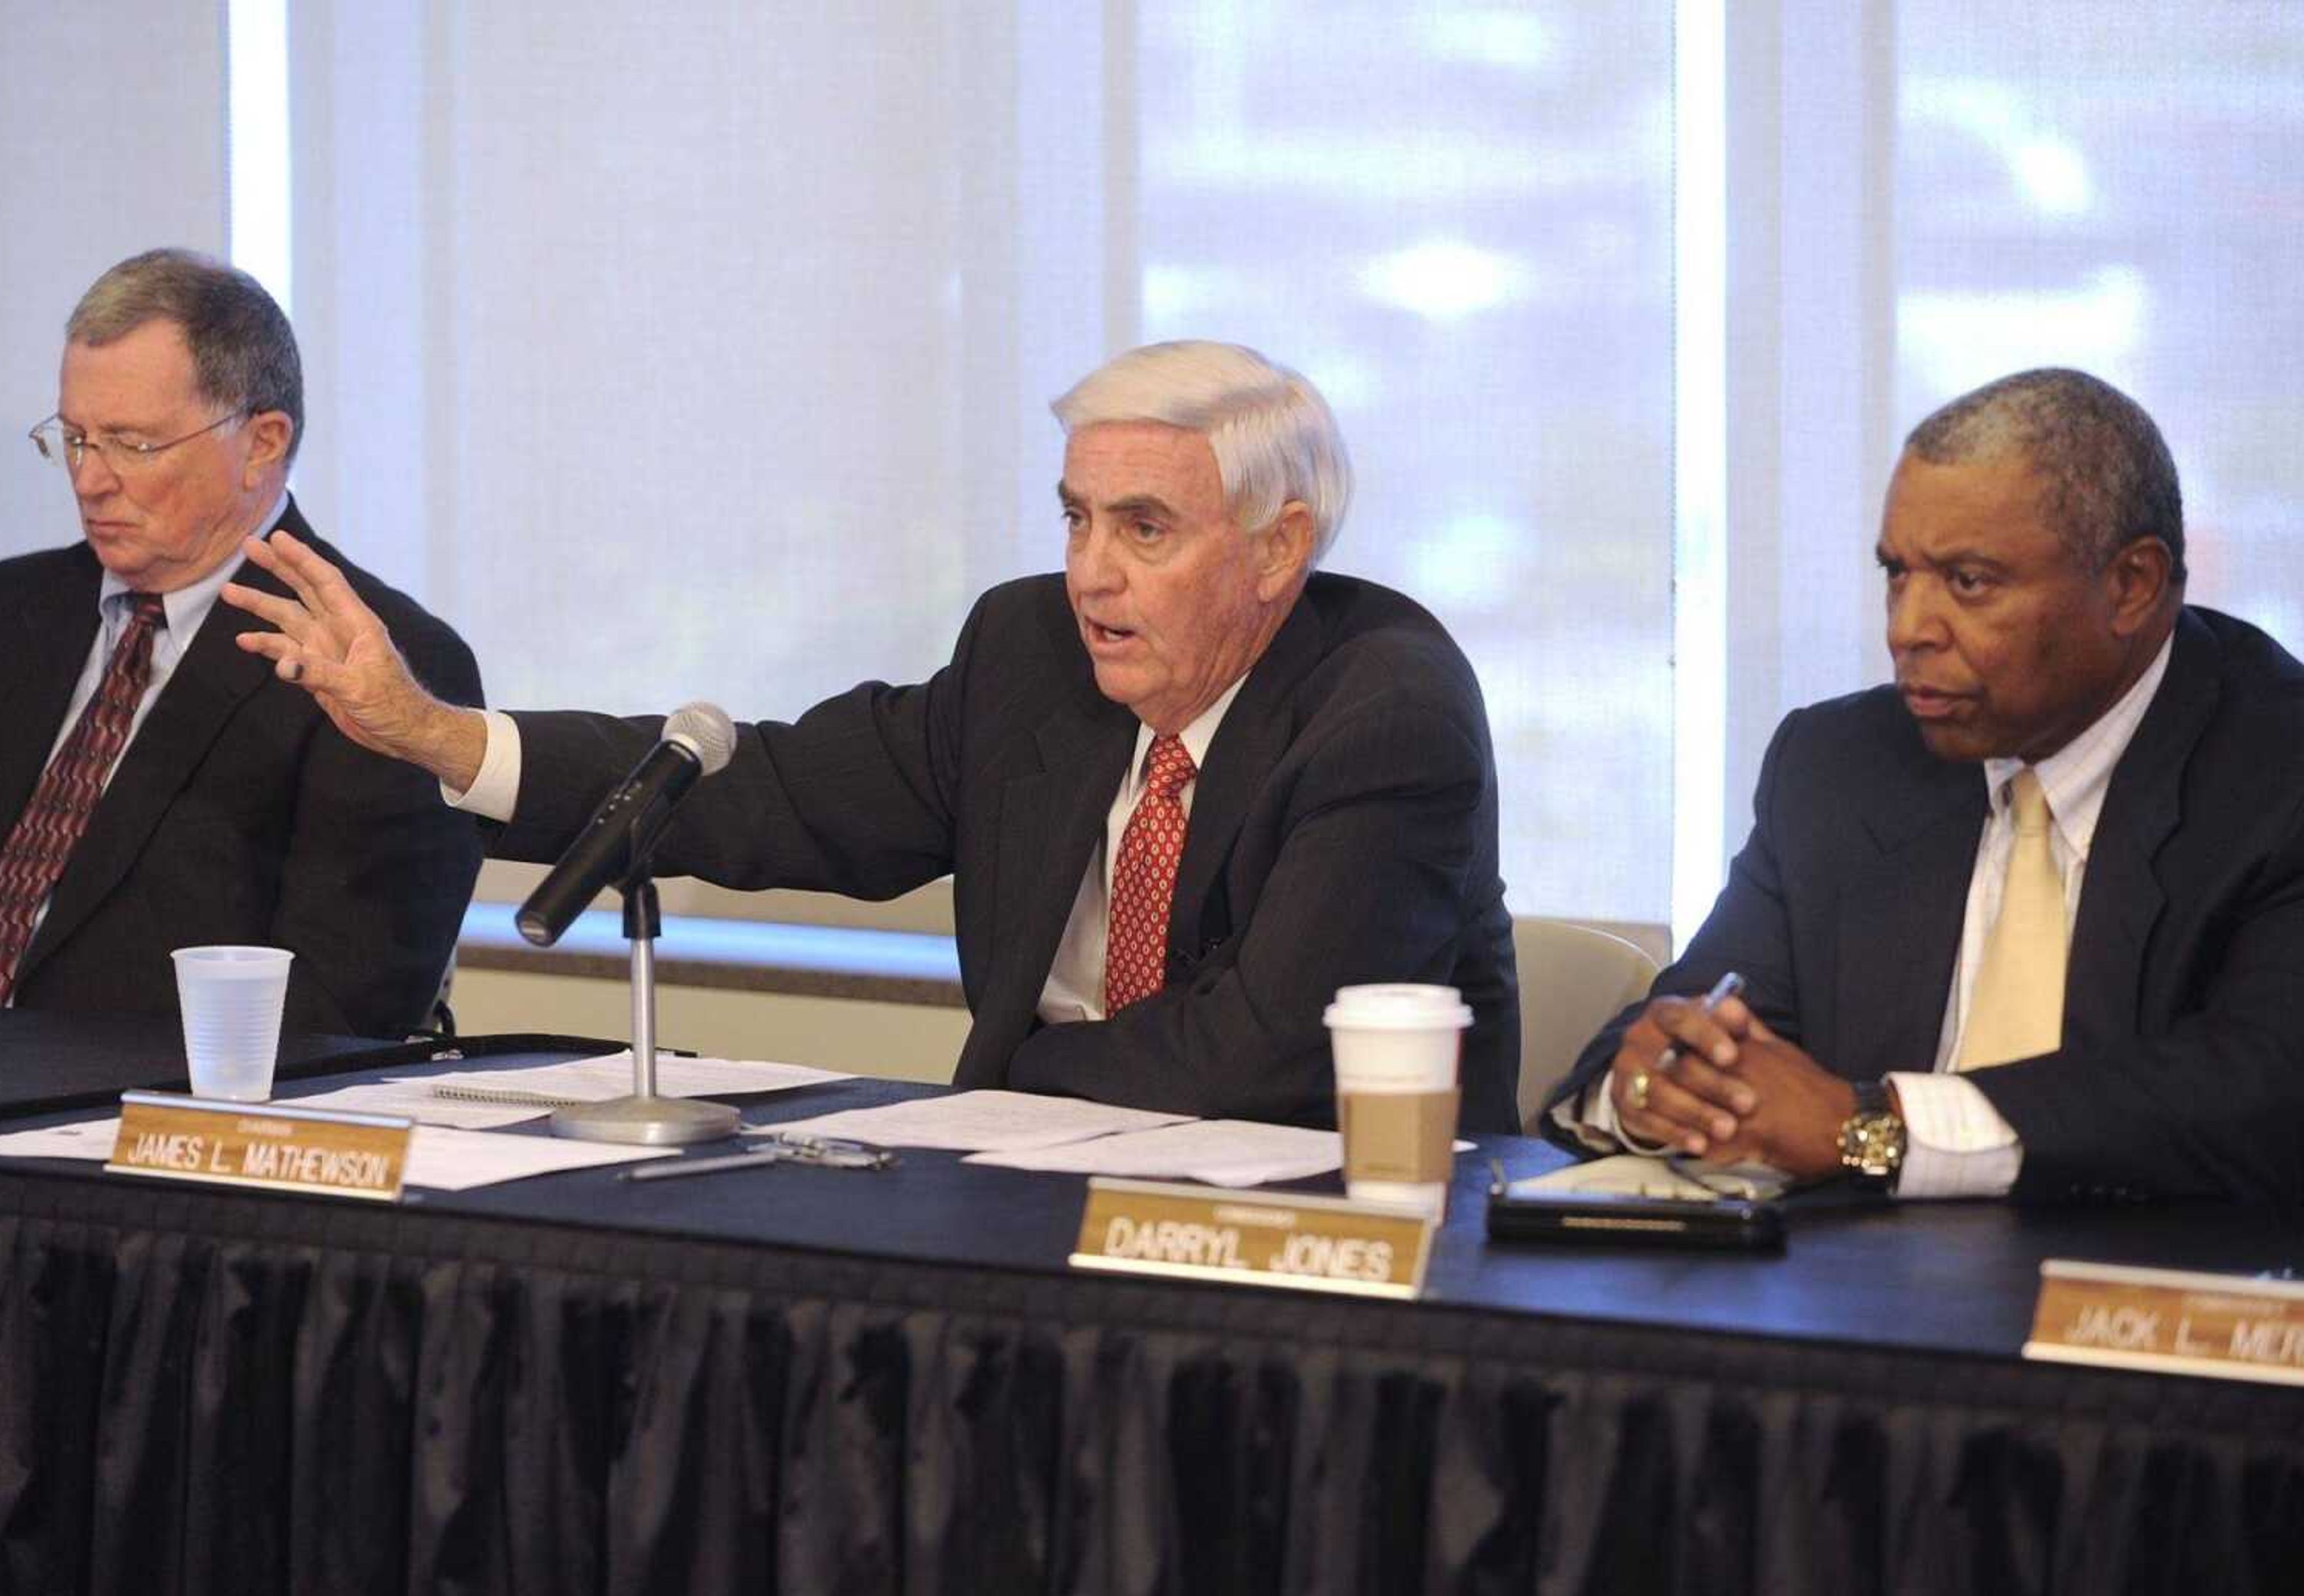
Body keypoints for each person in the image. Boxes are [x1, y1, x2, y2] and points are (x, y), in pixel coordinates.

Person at [222, 340, 1520, 1130]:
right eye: (1074, 520)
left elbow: (1269, 1053)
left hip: (1332, 1263)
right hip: (1043, 1211)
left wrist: (1011, 1078)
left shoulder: (1383, 714)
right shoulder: (1032, 656)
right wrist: (442, 734)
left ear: (1279, 548)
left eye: (1143, 529)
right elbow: (770, 791)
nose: (1089, 575)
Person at [1544, 367, 2304, 1201]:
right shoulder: (1840, 763)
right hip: (1858, 1299)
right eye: (1897, 574)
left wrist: (1875, 1127)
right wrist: (1658, 1087)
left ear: (2132, 585)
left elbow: (2257, 1094)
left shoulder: (2274, 772)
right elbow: (1698, 1023)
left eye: (1969, 581)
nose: (1908, 629)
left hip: (2150, 1304)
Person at [0, 249, 484, 1039]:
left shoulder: (380, 669)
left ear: (262, 442)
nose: (89, 479)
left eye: (133, 444)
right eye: (74, 438)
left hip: (128, 1124)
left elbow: (343, 1010)